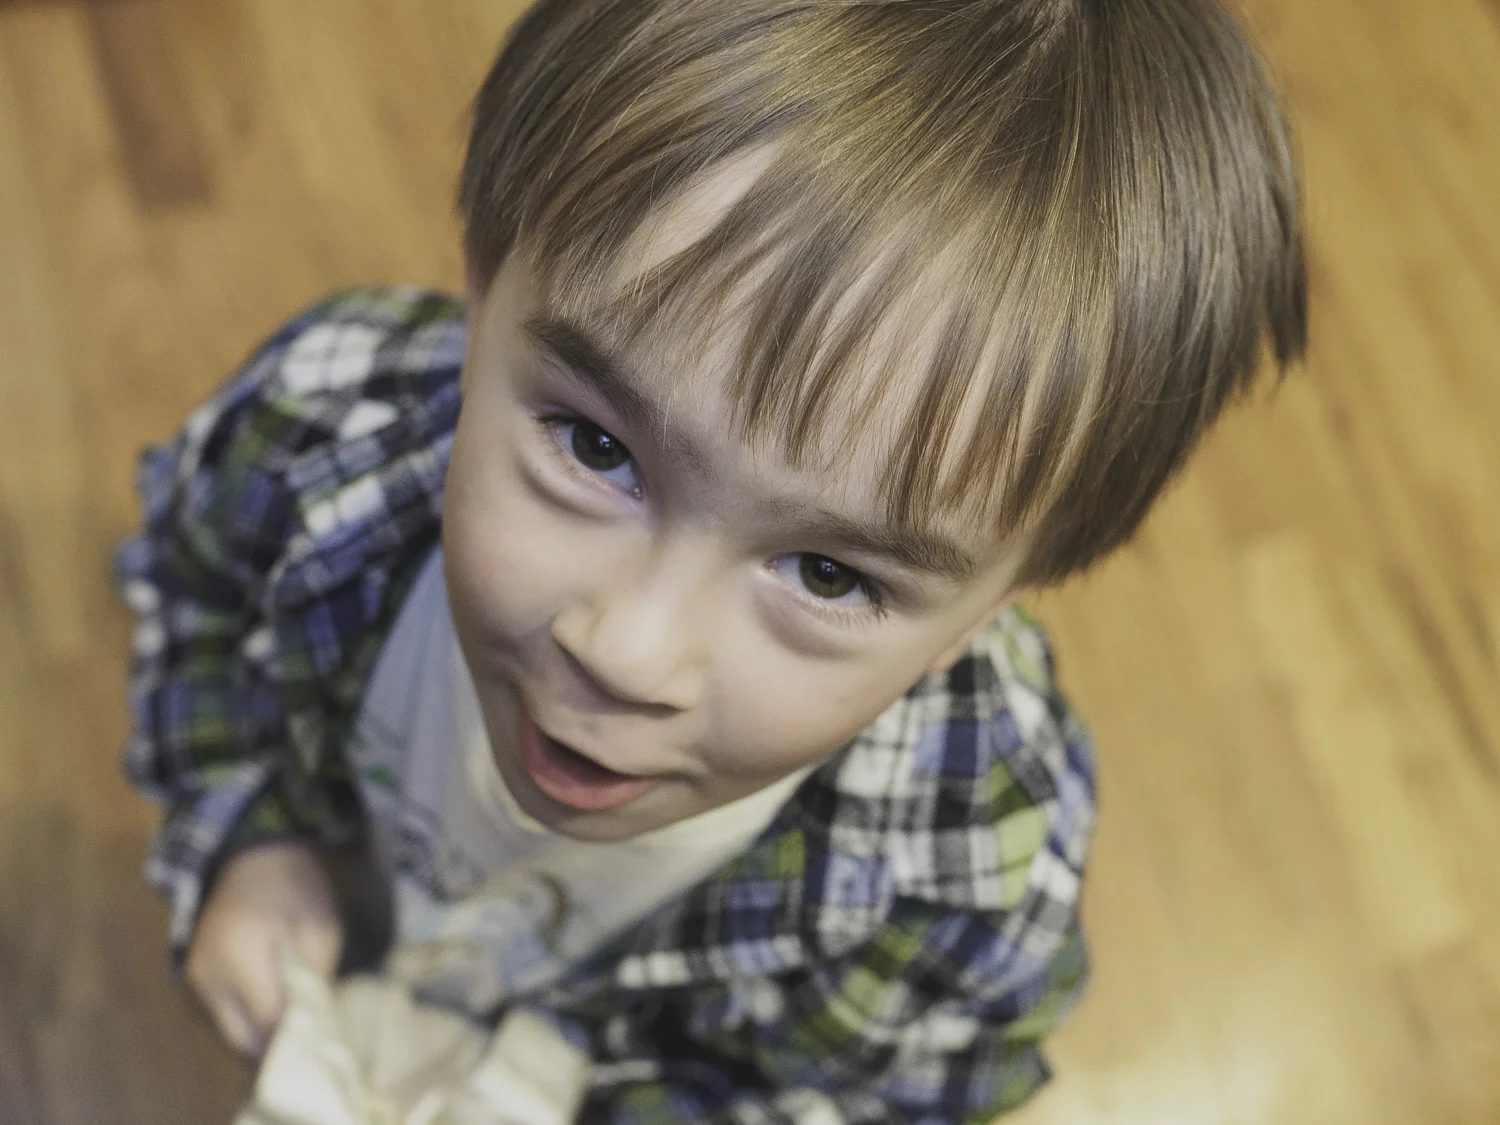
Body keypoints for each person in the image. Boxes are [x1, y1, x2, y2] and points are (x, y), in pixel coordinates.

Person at [115, 0, 1306, 1121]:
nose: (628, 653)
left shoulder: (966, 854)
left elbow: (900, 1089)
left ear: (995, 606)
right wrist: (250, 833)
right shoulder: (319, 428)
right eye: (596, 447)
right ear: (483, 288)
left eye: (830, 575)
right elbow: (196, 596)